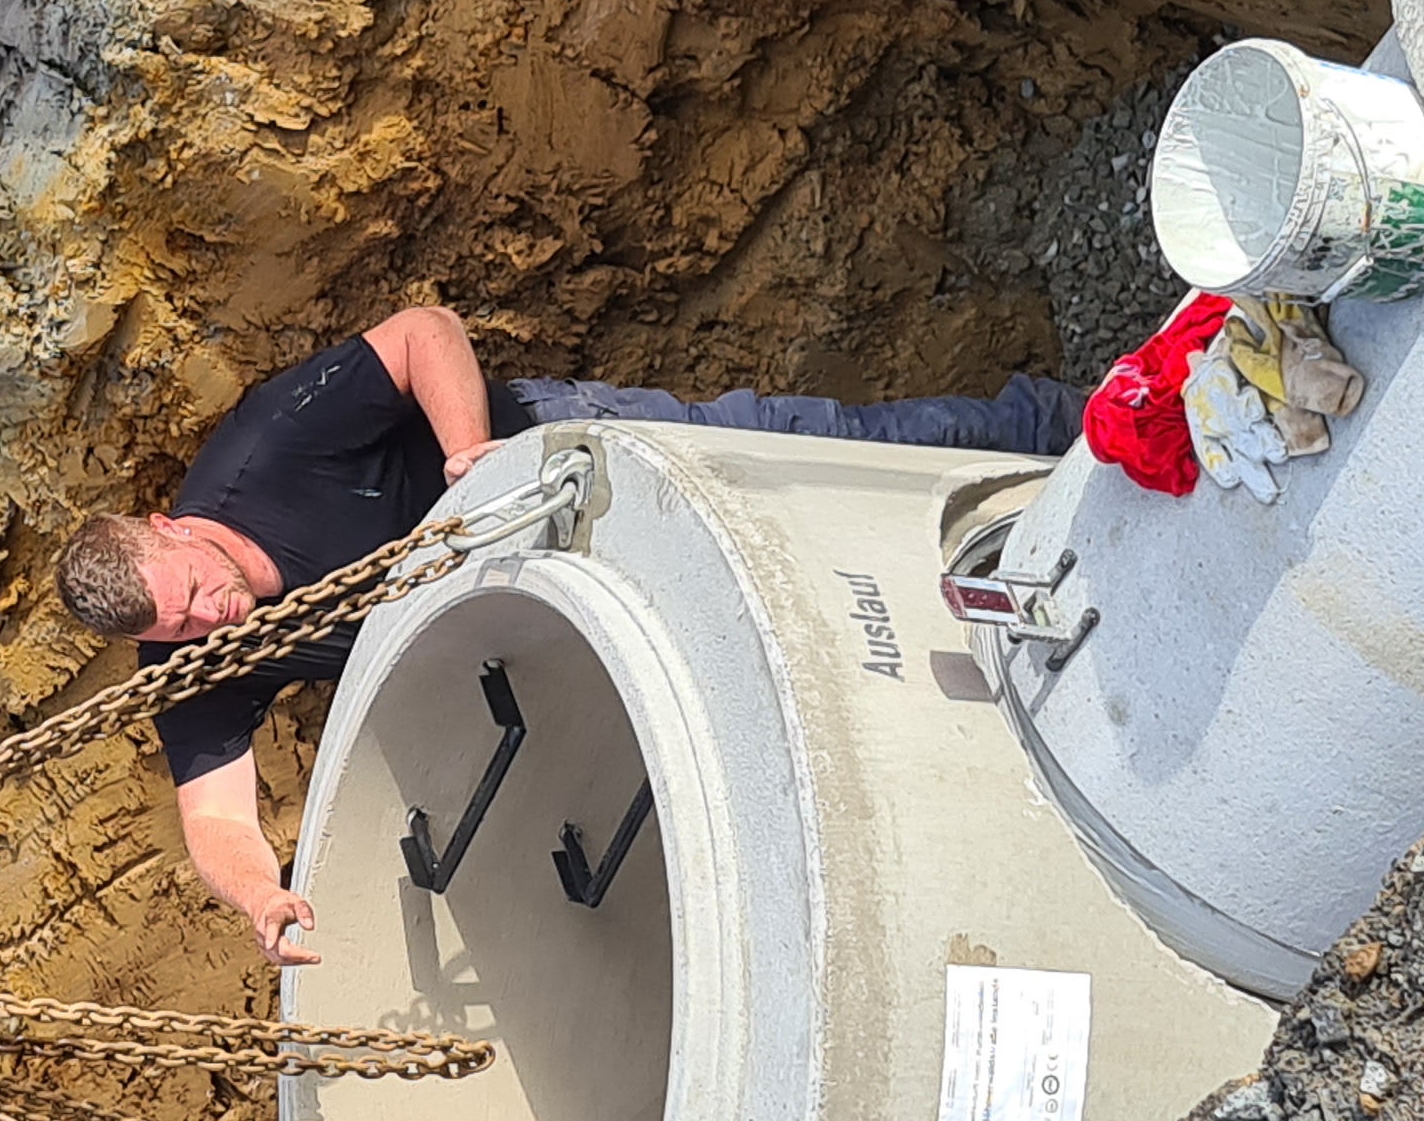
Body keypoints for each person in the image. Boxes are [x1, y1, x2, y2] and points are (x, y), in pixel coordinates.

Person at [56, 304, 1082, 963]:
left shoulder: (267, 450)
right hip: (545, 605)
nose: (209, 617)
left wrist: (469, 456)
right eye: (180, 624)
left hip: (555, 460)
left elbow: (422, 331)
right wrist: (258, 901)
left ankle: (1059, 428)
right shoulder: (194, 658)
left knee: (804, 451)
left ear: (168, 527)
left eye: (191, 588)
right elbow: (217, 822)